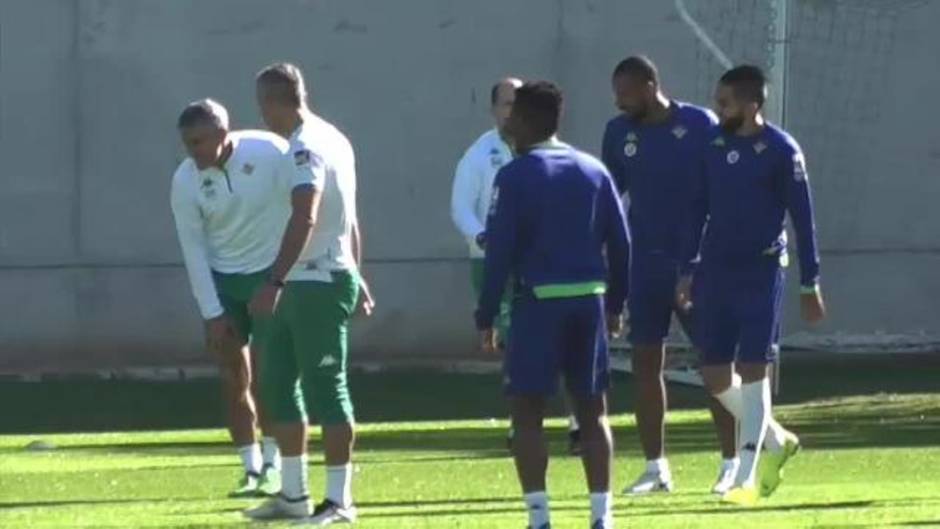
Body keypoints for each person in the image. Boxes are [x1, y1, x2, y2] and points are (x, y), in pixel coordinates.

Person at [477, 81, 630, 529]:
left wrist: (485, 314)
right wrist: (616, 303)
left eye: (512, 117)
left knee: (527, 412)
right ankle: (602, 517)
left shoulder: (516, 175)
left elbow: (500, 253)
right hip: (589, 304)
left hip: (539, 304)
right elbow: (621, 245)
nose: (507, 124)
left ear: (526, 120)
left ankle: (539, 518)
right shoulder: (593, 170)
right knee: (592, 410)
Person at [676, 65, 826, 506]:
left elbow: (803, 219)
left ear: (751, 105)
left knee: (754, 367)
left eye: (724, 103)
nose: (717, 109)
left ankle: (744, 473)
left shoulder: (781, 150)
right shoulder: (712, 144)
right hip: (716, 271)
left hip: (761, 271)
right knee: (715, 373)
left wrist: (810, 281)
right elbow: (697, 208)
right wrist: (687, 269)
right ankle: (776, 440)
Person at [600, 55, 738, 495]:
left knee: (715, 363)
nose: (620, 104)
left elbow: (723, 190)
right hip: (644, 264)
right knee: (644, 362)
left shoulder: (700, 124)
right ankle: (656, 467)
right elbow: (609, 198)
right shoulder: (619, 133)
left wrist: (701, 259)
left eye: (626, 95)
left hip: (695, 266)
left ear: (649, 85)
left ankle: (732, 462)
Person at [245, 62, 373, 524]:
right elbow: (351, 219)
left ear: (273, 102)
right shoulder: (333, 136)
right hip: (302, 280)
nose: (262, 116)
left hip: (315, 280)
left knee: (327, 387)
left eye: (263, 105)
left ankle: (340, 500)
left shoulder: (308, 146)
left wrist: (273, 280)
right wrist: (358, 274)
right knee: (278, 385)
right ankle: (293, 496)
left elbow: (307, 214)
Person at [452, 77, 581, 453]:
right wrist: (483, 239)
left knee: (565, 344)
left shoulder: (557, 154)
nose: (513, 111)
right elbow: (461, 206)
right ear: (494, 109)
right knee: (517, 344)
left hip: (546, 263)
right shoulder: (479, 156)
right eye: (506, 104)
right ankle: (522, 425)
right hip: (496, 262)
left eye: (518, 103)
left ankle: (578, 426)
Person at [170, 99, 285, 498]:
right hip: (223, 283)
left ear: (223, 133)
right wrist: (212, 312)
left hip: (268, 278)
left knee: (272, 376)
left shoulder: (269, 151)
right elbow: (193, 249)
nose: (193, 152)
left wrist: (283, 278)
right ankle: (250, 468)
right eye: (187, 143)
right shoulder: (185, 180)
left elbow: (304, 200)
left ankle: (275, 465)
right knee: (233, 375)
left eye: (199, 141)